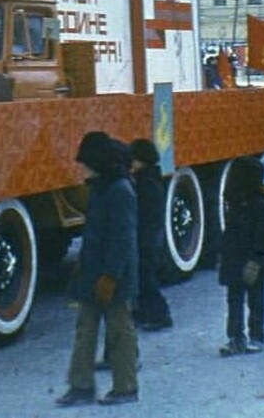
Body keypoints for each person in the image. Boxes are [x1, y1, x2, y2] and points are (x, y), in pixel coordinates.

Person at [57, 132, 139, 407]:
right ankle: (81, 384)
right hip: (96, 271)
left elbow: (122, 240)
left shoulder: (118, 191)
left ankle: (125, 386)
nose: (83, 168)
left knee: (119, 331)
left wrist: (110, 276)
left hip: (113, 274)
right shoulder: (104, 188)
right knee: (86, 329)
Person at [218, 156, 264, 355]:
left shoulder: (256, 205)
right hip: (239, 257)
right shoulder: (245, 203)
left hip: (250, 259)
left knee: (252, 299)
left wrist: (255, 262)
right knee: (238, 299)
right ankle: (236, 337)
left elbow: (262, 239)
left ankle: (255, 335)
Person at [127, 138, 171, 332]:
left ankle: (158, 314)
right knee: (146, 277)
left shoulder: (145, 184)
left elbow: (146, 216)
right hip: (151, 237)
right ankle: (149, 313)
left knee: (146, 278)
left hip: (146, 238)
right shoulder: (152, 180)